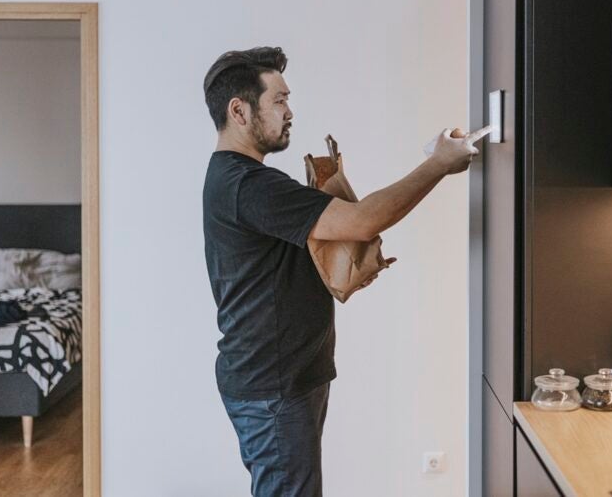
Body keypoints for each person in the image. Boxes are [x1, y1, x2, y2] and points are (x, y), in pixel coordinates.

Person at [201, 46, 483, 497]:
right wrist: (438, 165)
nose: (289, 111)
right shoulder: (248, 185)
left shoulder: (239, 180)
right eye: (278, 100)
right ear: (239, 110)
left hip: (280, 378)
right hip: (274, 386)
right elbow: (364, 219)